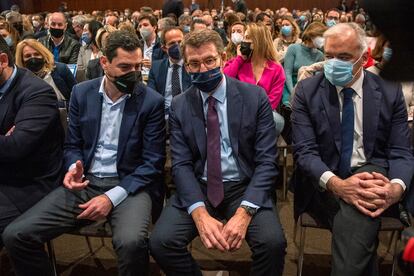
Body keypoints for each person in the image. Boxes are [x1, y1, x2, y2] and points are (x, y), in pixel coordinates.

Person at [3, 30, 166, 276]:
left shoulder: (150, 101)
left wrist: (110, 198)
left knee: (131, 243)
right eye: (124, 67)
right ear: (104, 63)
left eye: (136, 66)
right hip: (85, 183)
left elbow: (152, 164)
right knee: (16, 235)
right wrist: (72, 168)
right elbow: (72, 145)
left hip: (130, 185)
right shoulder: (82, 93)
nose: (132, 74)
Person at [150, 28, 287, 276]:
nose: (203, 69)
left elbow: (267, 161)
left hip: (244, 185)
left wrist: (245, 213)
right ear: (187, 66)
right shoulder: (181, 104)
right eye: (194, 63)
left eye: (210, 60)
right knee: (161, 242)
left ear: (223, 58)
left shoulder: (254, 97)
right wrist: (199, 213)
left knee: (272, 244)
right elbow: (179, 164)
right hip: (200, 185)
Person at [291, 23, 414, 276]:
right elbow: (305, 152)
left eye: (344, 57)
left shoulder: (389, 91)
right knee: (361, 216)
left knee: (365, 196)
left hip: (373, 176)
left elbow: (401, 151)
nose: (334, 63)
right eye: (328, 56)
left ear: (364, 58)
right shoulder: (306, 91)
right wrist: (338, 185)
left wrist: (396, 188)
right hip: (322, 181)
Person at [0, 36, 64, 249]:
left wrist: (9, 142)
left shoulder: (36, 92)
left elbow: (16, 147)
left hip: (28, 181)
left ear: (2, 61)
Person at [224, 22, 285, 134]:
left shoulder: (276, 69)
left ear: (258, 41)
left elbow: (272, 101)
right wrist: (240, 59)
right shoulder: (238, 63)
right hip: (238, 111)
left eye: (247, 38)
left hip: (263, 112)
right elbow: (224, 80)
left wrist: (253, 114)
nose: (243, 41)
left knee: (277, 121)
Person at [15, 39, 76, 105]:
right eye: (28, 56)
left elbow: (76, 96)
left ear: (43, 55)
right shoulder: (20, 79)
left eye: (36, 54)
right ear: (22, 60)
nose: (33, 58)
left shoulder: (60, 69)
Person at [367, 36, 414, 119]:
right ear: (381, 48)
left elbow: (411, 103)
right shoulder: (368, 75)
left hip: (404, 126)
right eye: (390, 46)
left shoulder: (408, 76)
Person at [147, 26, 191, 114]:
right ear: (164, 48)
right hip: (164, 114)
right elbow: (151, 97)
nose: (177, 46)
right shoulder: (156, 67)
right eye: (172, 43)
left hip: (188, 112)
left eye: (180, 42)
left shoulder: (192, 65)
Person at [282, 22, 326, 107]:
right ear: (311, 35)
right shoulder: (293, 48)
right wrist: (293, 93)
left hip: (308, 89)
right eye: (320, 36)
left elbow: (317, 79)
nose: (322, 40)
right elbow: (287, 73)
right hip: (290, 87)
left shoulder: (320, 54)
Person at [137, 13, 167, 80]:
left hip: (156, 79)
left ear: (154, 27)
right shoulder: (137, 44)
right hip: (140, 79)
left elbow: (168, 66)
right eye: (140, 26)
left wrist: (154, 66)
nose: (142, 28)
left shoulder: (162, 44)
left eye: (145, 25)